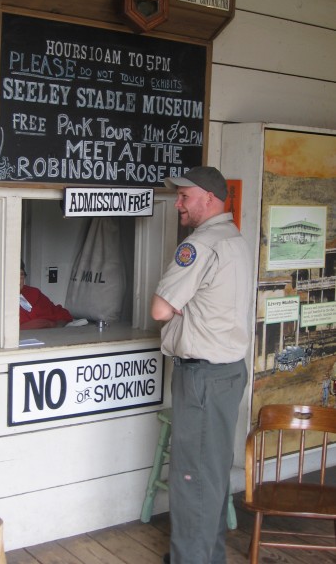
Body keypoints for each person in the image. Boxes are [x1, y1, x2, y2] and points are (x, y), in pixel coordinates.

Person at [151, 167, 252, 564]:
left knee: (192, 477)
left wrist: (180, 310)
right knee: (210, 476)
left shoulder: (203, 243)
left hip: (203, 378)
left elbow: (160, 309)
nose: (178, 202)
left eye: (184, 196)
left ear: (208, 198)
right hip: (227, 372)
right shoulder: (235, 239)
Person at [20, 261, 73, 329]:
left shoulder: (33, 293)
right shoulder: (3, 301)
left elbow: (62, 314)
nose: (18, 280)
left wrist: (55, 327)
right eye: (13, 275)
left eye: (21, 275)